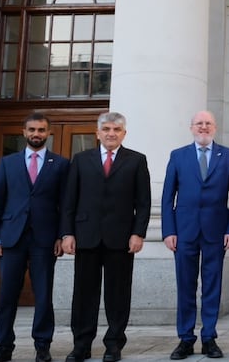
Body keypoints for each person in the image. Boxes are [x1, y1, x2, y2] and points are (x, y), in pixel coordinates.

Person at [61, 112, 151, 362]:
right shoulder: (80, 160)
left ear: (124, 133)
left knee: (118, 294)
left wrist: (138, 233)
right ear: (97, 132)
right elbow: (69, 200)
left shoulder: (136, 160)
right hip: (86, 236)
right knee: (83, 294)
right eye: (107, 129)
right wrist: (67, 232)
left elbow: (143, 202)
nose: (112, 133)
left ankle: (113, 344)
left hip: (121, 239)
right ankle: (81, 344)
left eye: (117, 129)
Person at [0, 113, 69, 362]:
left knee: (43, 295)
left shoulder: (60, 164)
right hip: (11, 239)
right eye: (32, 129)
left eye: (41, 130)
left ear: (48, 133)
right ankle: (3, 347)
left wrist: (61, 235)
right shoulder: (8, 163)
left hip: (44, 240)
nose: (36, 134)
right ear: (24, 132)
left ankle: (43, 346)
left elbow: (65, 205)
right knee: (7, 295)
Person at [162, 110, 229, 360]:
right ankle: (185, 338)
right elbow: (167, 198)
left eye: (208, 123)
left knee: (212, 287)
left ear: (215, 127)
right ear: (191, 128)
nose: (203, 127)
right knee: (185, 286)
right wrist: (168, 231)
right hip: (184, 232)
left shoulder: (228, 156)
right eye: (199, 123)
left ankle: (209, 337)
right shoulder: (178, 156)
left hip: (216, 232)